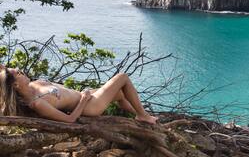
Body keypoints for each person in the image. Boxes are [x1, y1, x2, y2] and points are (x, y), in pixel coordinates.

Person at [0, 65, 158, 124]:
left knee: (120, 94)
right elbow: (69, 119)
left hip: (86, 97)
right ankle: (143, 116)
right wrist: (83, 99)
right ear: (15, 84)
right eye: (19, 72)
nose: (21, 70)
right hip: (89, 106)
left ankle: (142, 115)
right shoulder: (37, 103)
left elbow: (4, 72)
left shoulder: (34, 86)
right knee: (122, 77)